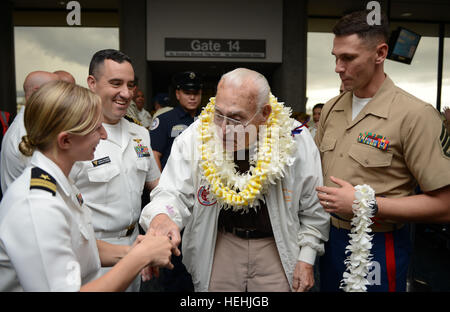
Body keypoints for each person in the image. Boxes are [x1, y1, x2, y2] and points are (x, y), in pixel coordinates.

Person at [140, 68, 329, 292]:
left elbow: (313, 207)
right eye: (219, 114)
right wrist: (162, 217)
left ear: (265, 113)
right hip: (220, 244)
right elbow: (172, 192)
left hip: (276, 247)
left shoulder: (295, 139)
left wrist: (306, 258)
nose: (223, 128)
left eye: (236, 118)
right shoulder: (196, 135)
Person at [315, 10, 450, 292]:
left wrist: (368, 205)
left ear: (380, 53)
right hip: (327, 240)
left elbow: (445, 205)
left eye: (348, 58)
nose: (338, 67)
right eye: (336, 57)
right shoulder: (331, 108)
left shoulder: (415, 115)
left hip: (379, 243)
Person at [0, 80, 176, 291]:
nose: (103, 135)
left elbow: (80, 244)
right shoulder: (38, 204)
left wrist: (136, 252)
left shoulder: (60, 182)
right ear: (65, 141)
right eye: (96, 128)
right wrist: (140, 257)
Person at [69, 49, 161, 292]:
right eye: (116, 83)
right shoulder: (73, 138)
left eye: (130, 85)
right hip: (92, 254)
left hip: (134, 247)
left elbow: (158, 187)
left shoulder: (140, 133)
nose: (126, 93)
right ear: (92, 83)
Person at [1, 71, 59, 193]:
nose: (61, 97)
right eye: (57, 91)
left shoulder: (31, 125)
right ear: (37, 92)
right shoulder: (26, 132)